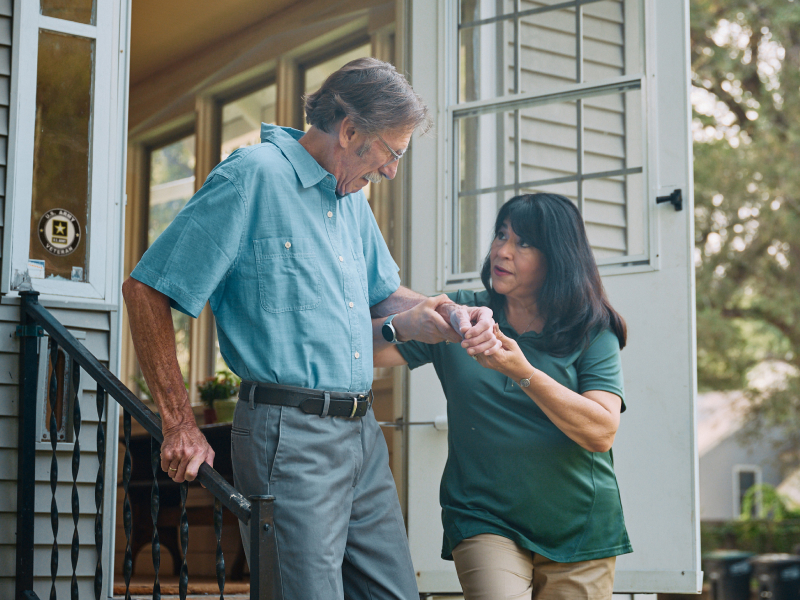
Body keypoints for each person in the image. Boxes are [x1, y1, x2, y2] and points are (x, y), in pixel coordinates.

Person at [122, 58, 499, 600]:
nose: (392, 171)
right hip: (288, 435)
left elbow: (385, 295)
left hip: (362, 435)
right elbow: (148, 289)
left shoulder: (350, 200)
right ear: (349, 131)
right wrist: (180, 422)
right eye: (391, 153)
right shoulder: (252, 176)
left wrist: (450, 310)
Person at [374, 193, 632, 600]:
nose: (503, 251)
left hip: (579, 527)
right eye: (501, 235)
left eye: (523, 242)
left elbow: (601, 431)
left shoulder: (592, 329)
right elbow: (366, 352)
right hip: (483, 515)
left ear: (557, 256)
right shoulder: (464, 319)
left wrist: (522, 371)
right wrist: (402, 322)